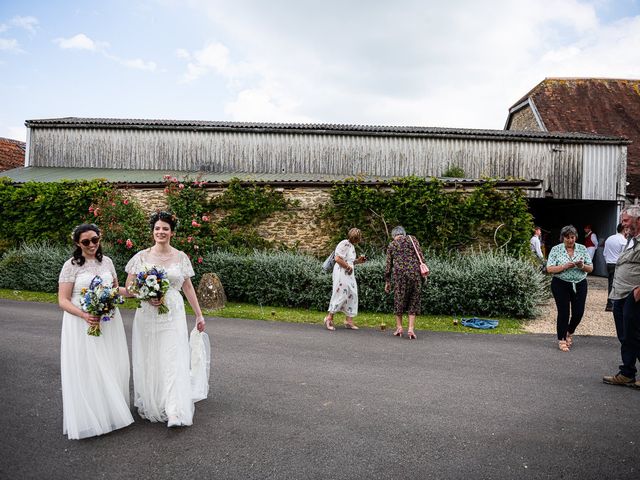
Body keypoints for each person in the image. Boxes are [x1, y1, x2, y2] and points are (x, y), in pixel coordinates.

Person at [124, 211, 207, 427]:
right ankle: (154, 400)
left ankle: (174, 410)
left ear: (172, 232)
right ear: (153, 231)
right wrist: (146, 294)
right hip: (147, 314)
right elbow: (131, 287)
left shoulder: (181, 257)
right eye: (157, 228)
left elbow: (187, 286)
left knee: (172, 356)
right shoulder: (140, 257)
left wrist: (199, 314)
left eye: (165, 229)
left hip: (173, 313)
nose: (161, 232)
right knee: (151, 356)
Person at [58, 223, 134, 439]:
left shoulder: (107, 262)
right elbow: (62, 300)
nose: (92, 244)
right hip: (82, 321)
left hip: (109, 320)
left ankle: (110, 412)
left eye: (95, 239)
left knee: (110, 362)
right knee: (88, 366)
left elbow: (114, 290)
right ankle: (91, 416)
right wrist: (85, 315)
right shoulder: (71, 265)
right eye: (86, 241)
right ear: (77, 243)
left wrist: (140, 291)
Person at [603, 206, 640, 389]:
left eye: (626, 220)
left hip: (634, 294)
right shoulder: (631, 240)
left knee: (633, 334)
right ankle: (627, 373)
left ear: (638, 220)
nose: (623, 224)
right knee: (625, 335)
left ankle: (627, 372)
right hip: (620, 293)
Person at [545, 225, 593, 352]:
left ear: (576, 237)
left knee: (579, 312)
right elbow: (549, 268)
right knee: (564, 312)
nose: (570, 240)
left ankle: (569, 332)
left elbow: (590, 268)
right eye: (567, 238)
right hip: (560, 283)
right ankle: (561, 339)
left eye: (572, 237)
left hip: (580, 283)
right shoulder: (556, 249)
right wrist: (564, 266)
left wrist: (582, 266)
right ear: (562, 238)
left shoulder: (582, 248)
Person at [384, 226, 429, 340]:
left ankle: (399, 328)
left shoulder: (392, 245)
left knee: (399, 299)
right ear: (403, 233)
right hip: (415, 274)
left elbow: (388, 265)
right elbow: (421, 257)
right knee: (413, 300)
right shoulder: (412, 239)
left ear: (394, 236)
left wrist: (388, 281)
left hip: (400, 276)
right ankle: (410, 329)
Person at [323, 228, 366, 331]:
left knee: (352, 294)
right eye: (357, 237)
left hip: (349, 274)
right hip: (341, 273)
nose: (357, 239)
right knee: (340, 294)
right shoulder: (344, 243)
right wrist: (348, 267)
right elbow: (337, 259)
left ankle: (348, 320)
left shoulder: (351, 246)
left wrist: (358, 261)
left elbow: (349, 261)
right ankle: (329, 318)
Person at [603, 223, 628, 312]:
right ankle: (611, 304)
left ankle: (610, 304)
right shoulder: (623, 241)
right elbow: (624, 255)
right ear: (624, 229)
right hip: (618, 264)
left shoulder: (609, 239)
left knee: (611, 283)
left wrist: (607, 261)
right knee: (617, 284)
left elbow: (605, 253)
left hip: (609, 263)